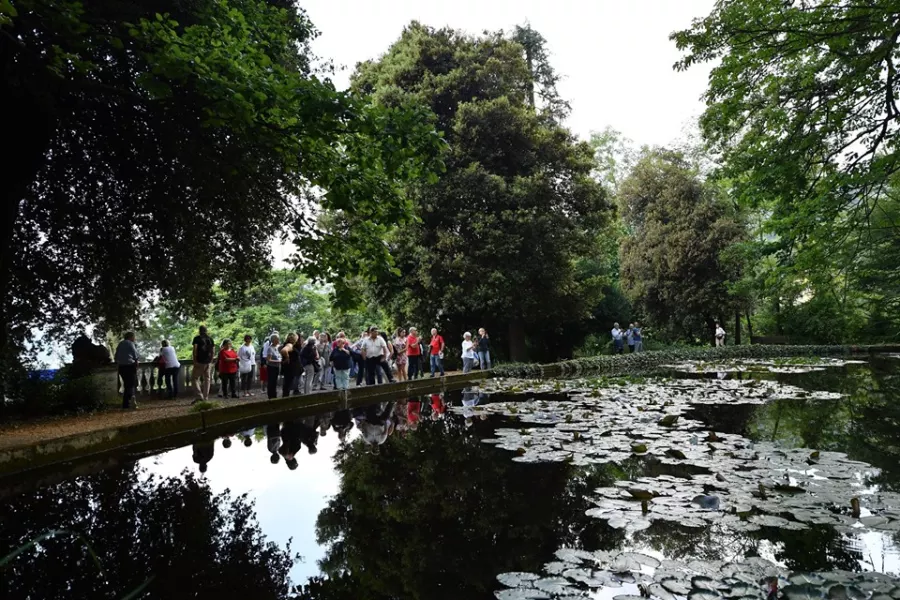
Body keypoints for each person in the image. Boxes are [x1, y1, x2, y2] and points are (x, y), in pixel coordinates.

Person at [115, 332, 140, 409]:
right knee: (131, 384)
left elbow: (116, 356)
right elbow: (135, 354)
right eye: (134, 337)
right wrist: (136, 361)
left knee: (127, 384)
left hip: (121, 367)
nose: (134, 338)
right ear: (131, 337)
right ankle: (127, 403)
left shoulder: (120, 344)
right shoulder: (130, 343)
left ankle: (127, 403)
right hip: (129, 366)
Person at [191, 326, 216, 403]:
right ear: (206, 331)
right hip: (208, 362)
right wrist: (211, 361)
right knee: (207, 379)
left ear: (199, 331)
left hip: (200, 361)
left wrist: (195, 361)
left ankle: (199, 396)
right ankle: (205, 397)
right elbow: (213, 351)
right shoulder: (210, 339)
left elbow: (195, 350)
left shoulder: (197, 339)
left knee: (194, 378)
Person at [265, 333, 282, 399]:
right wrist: (279, 361)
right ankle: (270, 395)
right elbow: (269, 360)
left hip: (276, 367)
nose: (278, 340)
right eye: (277, 339)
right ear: (274, 340)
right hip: (271, 367)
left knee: (275, 382)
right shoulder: (270, 348)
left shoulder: (278, 347)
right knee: (271, 382)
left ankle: (274, 395)